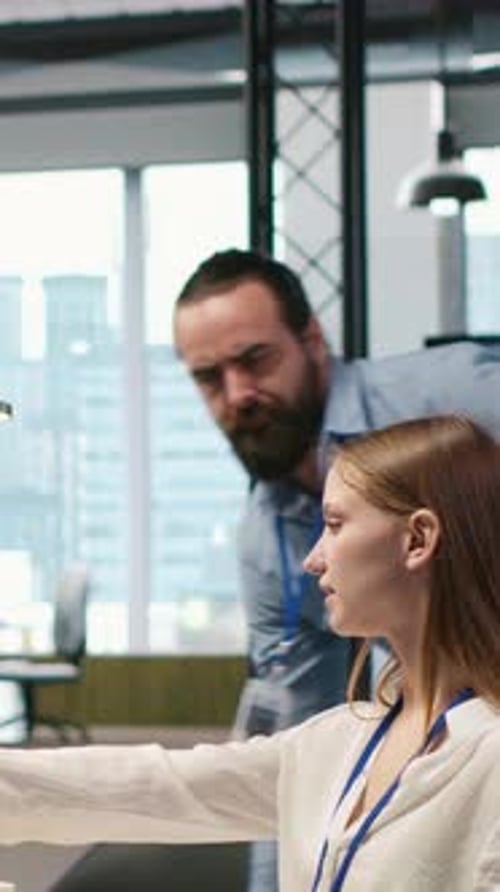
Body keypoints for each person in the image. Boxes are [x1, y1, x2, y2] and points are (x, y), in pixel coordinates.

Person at [0, 414, 498, 892]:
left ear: (417, 539)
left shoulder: (488, 760)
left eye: (335, 524)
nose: (313, 559)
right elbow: (163, 787)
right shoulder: (341, 739)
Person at [173, 248, 500, 890]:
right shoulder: (267, 542)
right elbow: (298, 761)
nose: (238, 394)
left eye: (254, 359)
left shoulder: (456, 395)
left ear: (311, 340)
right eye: (210, 377)